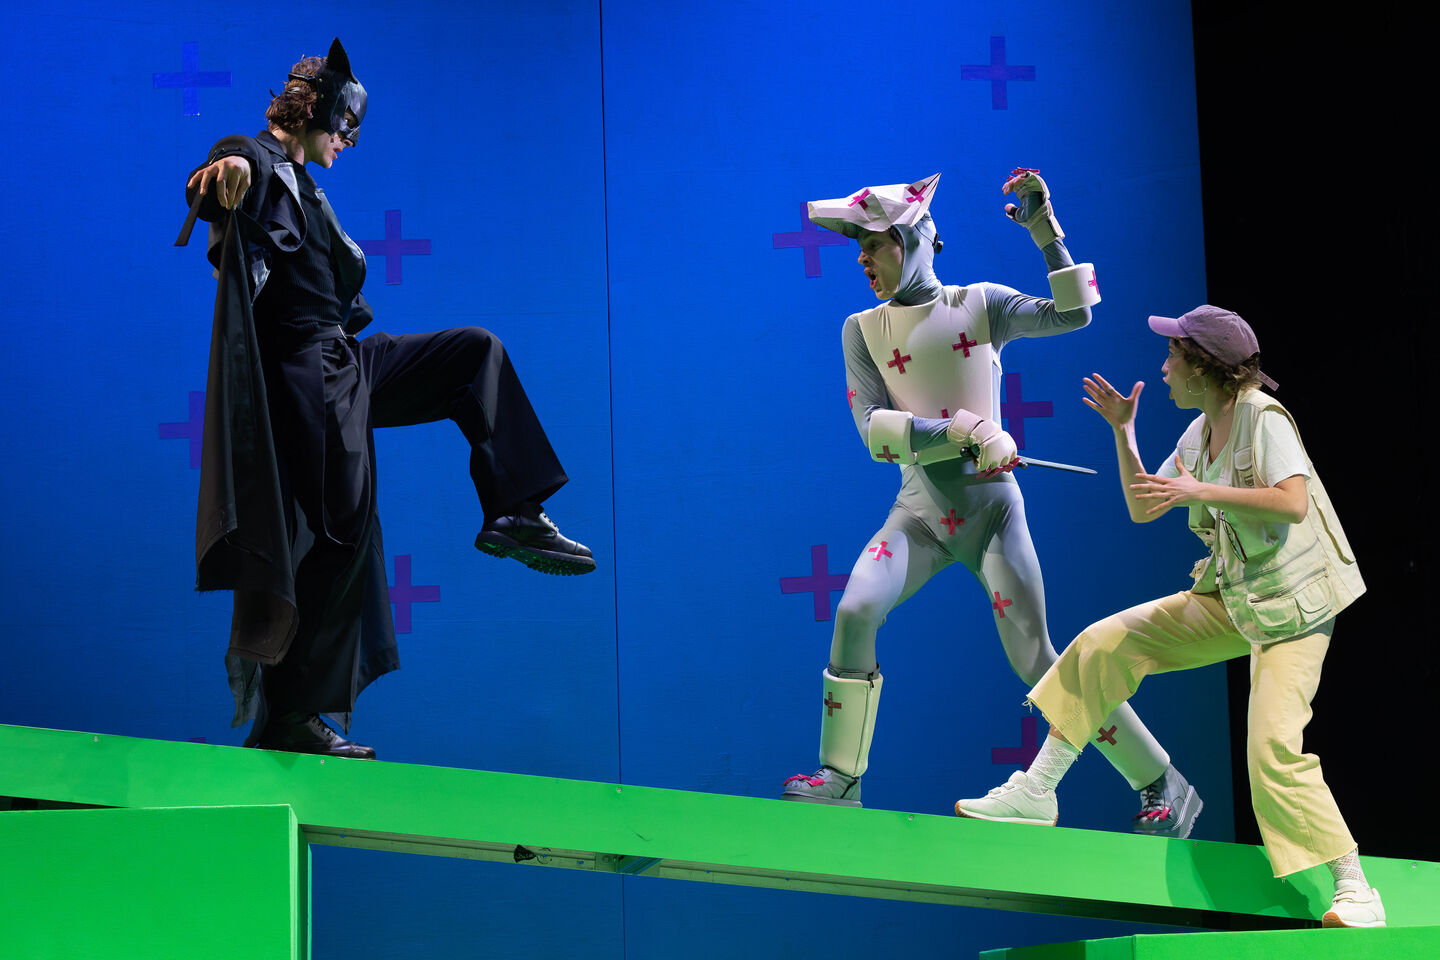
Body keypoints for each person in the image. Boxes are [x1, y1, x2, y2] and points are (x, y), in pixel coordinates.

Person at [178, 38, 594, 760]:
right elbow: (221, 173)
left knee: (474, 353)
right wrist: (224, 175)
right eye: (345, 125)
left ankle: (514, 512)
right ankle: (290, 717)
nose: (348, 140)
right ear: (316, 109)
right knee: (341, 535)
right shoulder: (259, 158)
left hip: (343, 357)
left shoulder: (309, 186)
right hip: (303, 372)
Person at [781, 171, 1200, 839]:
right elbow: (874, 433)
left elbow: (1075, 312)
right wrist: (960, 430)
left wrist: (1046, 232)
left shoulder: (979, 304)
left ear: (914, 240)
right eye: (857, 247)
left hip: (992, 514)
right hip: (918, 514)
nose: (862, 259)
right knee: (856, 610)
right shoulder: (861, 329)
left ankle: (1162, 781)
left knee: (1037, 659)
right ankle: (840, 777)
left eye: (874, 244)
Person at [954, 305, 1383, 928]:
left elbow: (1292, 501)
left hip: (1296, 606)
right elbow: (1145, 506)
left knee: (1270, 749)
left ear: (1202, 368)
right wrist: (1124, 434)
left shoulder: (1263, 417)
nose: (1163, 368)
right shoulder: (1200, 430)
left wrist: (1200, 491)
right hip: (1236, 596)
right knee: (1105, 642)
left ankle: (1355, 887)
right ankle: (1037, 790)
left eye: (1173, 356)